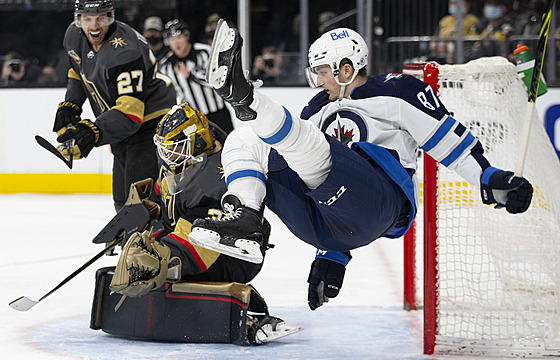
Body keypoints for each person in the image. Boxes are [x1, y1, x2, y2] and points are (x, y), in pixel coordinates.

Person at [187, 20, 534, 311]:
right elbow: (317, 178)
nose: (318, 80)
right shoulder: (316, 109)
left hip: (380, 203)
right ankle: (247, 220)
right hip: (325, 222)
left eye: (322, 72)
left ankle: (245, 96)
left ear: (346, 69)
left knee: (311, 146)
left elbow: (449, 143)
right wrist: (331, 255)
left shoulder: (399, 91)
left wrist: (489, 180)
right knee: (245, 139)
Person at [106, 103, 295, 344]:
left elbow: (200, 243)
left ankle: (242, 315)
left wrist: (158, 257)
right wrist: (139, 219)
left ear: (195, 141)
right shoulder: (190, 156)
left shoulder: (219, 177)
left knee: (159, 269)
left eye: (174, 149)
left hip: (230, 254)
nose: (168, 156)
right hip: (189, 236)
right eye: (166, 149)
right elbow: (163, 194)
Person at [52, 0, 176, 211]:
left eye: (101, 18)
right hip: (119, 122)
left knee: (141, 203)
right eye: (88, 18)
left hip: (150, 122)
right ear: (78, 19)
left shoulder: (125, 51)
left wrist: (91, 132)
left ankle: (157, 240)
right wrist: (71, 104)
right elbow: (77, 70)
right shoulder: (74, 35)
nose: (94, 26)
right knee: (122, 201)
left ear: (111, 17)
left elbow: (131, 116)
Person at [159, 19, 234, 134]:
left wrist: (191, 75)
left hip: (218, 113)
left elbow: (218, 80)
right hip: (194, 120)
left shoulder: (205, 52)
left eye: (179, 37)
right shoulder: (166, 66)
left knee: (229, 147)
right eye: (172, 39)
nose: (176, 43)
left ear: (187, 36)